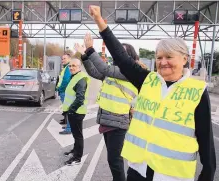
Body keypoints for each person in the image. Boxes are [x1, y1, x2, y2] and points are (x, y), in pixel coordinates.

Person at [89, 5, 216, 181]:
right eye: (159, 57)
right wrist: (99, 22)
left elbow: (206, 140)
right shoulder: (148, 80)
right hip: (138, 170)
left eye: (169, 57)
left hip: (172, 176)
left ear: (184, 59)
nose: (163, 62)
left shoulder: (197, 92)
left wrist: (207, 174)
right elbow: (122, 58)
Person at [75, 34, 141, 181]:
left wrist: (90, 50)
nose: (117, 56)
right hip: (107, 120)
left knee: (115, 161)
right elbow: (95, 72)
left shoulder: (130, 71)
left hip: (118, 122)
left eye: (121, 53)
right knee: (113, 160)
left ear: (129, 56)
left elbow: (104, 68)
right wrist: (84, 57)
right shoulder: (114, 72)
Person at [62, 58, 90, 165]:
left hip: (77, 112)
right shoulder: (75, 77)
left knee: (78, 135)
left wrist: (71, 110)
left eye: (74, 66)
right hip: (74, 112)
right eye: (70, 66)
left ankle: (77, 158)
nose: (71, 68)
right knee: (75, 134)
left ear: (79, 67)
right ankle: (75, 150)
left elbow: (80, 98)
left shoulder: (81, 79)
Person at [56, 53, 72, 135]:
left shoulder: (68, 67)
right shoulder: (66, 67)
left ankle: (69, 128)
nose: (63, 60)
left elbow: (66, 80)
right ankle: (68, 126)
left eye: (64, 58)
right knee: (67, 110)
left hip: (65, 92)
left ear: (69, 59)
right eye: (62, 59)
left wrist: (60, 89)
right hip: (65, 92)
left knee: (68, 111)